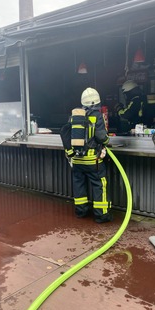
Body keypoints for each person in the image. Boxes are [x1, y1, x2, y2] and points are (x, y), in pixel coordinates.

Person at [62, 87, 112, 223]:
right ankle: (101, 215)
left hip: (77, 159)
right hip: (92, 160)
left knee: (79, 185)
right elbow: (102, 137)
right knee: (99, 184)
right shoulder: (97, 116)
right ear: (97, 102)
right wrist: (108, 141)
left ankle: (81, 211)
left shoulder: (74, 116)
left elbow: (67, 134)